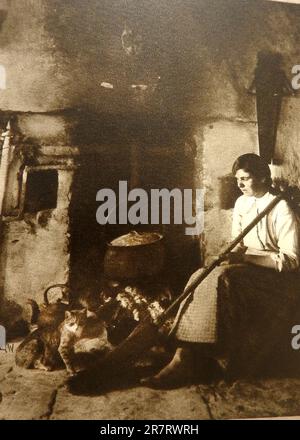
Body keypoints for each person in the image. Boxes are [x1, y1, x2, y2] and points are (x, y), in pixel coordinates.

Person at [141, 153, 300, 388]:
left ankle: (188, 359)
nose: (240, 185)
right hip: (248, 268)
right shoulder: (242, 203)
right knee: (201, 274)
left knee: (223, 278)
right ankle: (183, 347)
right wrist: (227, 254)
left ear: (264, 178)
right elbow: (238, 242)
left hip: (278, 279)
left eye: (245, 178)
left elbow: (291, 261)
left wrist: (244, 257)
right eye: (237, 179)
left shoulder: (281, 208)